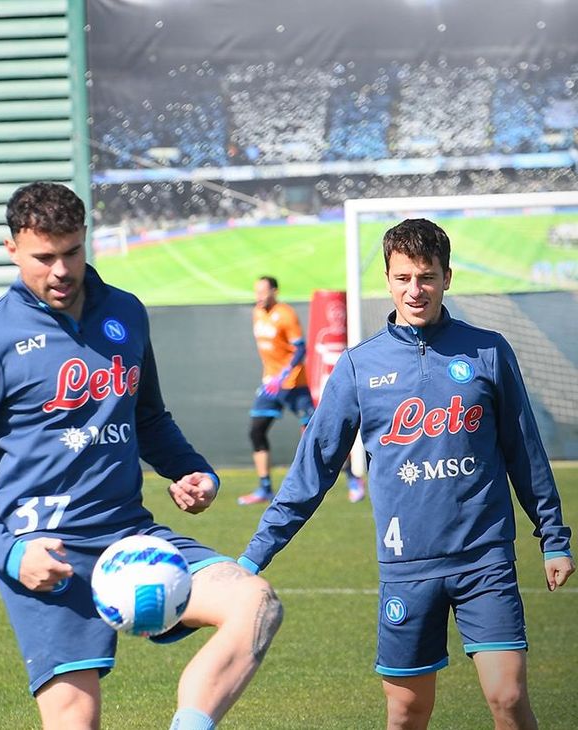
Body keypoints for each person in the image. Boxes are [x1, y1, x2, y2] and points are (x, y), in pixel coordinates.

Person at [0, 182, 282, 730]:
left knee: (254, 605)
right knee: (76, 720)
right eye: (43, 257)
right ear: (12, 249)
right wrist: (11, 555)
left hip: (133, 541)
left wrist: (193, 471)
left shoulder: (126, 313)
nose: (61, 270)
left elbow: (150, 420)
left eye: (71, 251)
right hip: (48, 556)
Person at [237, 219, 573, 730]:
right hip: (406, 566)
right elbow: (315, 468)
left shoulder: (488, 351)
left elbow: (523, 451)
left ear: (446, 277)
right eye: (403, 278)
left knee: (508, 698)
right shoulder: (359, 366)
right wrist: (253, 556)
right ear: (389, 281)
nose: (415, 290)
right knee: (406, 714)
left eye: (427, 277)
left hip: (485, 557)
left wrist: (553, 536)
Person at [238, 275, 365, 505]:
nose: (258, 296)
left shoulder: (285, 314)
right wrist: (272, 377)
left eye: (263, 291)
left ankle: (352, 478)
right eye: (256, 291)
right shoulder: (258, 313)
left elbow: (299, 350)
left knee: (318, 434)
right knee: (256, 431)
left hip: (294, 384)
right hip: (270, 386)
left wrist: (284, 374)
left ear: (274, 291)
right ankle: (265, 487)